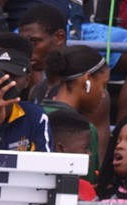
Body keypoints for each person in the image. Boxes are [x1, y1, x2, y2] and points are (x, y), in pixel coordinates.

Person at [41, 44, 110, 176]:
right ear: (87, 80)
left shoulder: (34, 115)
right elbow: (88, 184)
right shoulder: (86, 130)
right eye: (103, 85)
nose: (103, 94)